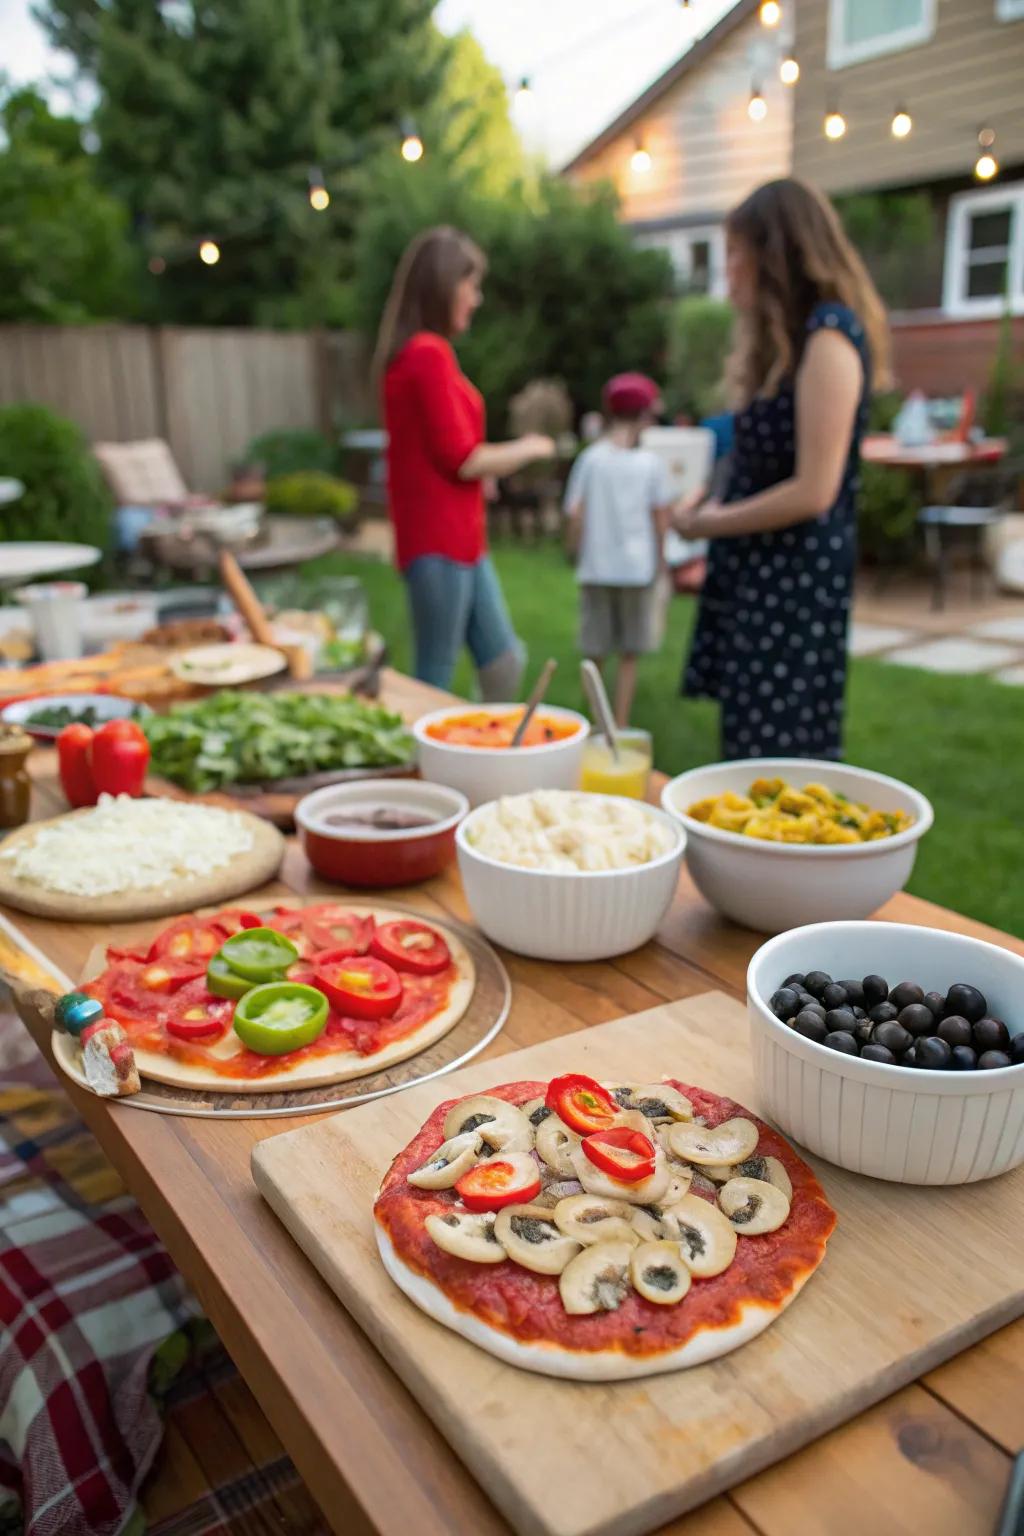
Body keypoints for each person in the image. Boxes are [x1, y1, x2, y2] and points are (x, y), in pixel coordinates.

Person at [676, 177, 890, 761]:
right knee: (748, 748)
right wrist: (704, 497)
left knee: (779, 754)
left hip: (791, 589)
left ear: (775, 255)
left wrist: (709, 526)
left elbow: (815, 490)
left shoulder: (830, 337)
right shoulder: (789, 346)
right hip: (759, 578)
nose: (729, 273)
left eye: (736, 254)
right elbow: (759, 466)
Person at [374, 226, 555, 696]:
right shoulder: (426, 354)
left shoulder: (427, 353)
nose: (476, 299)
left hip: (461, 539)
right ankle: (420, 763)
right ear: (442, 285)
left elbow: (437, 452)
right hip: (439, 541)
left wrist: (484, 473)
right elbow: (462, 459)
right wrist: (531, 447)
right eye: (470, 285)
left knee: (504, 660)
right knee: (432, 678)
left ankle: (483, 753)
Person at [564, 373, 674, 727]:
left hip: (596, 567)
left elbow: (575, 513)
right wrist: (661, 562)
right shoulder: (650, 465)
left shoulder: (591, 460)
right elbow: (659, 517)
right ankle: (620, 723)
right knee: (630, 653)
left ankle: (594, 722)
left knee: (594, 651)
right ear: (643, 416)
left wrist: (574, 549)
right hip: (637, 569)